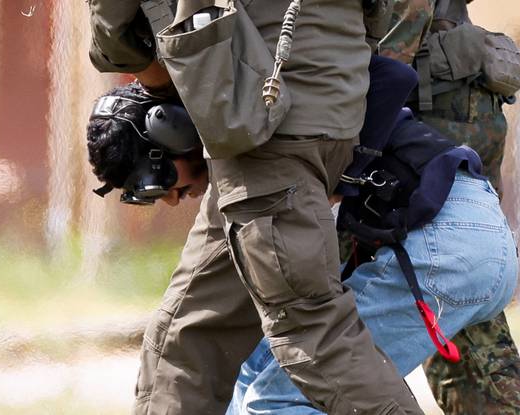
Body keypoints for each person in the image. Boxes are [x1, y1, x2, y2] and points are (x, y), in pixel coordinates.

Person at [87, 1, 423, 413]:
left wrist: (167, 86)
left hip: (261, 121)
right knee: (185, 335)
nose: (173, 199)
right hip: (331, 104)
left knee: (312, 333)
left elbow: (114, 18)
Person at [225, 46, 518, 414]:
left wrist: (344, 174)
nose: (175, 200)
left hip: (443, 243)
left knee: (281, 398)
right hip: (472, 227)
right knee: (257, 367)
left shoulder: (272, 103)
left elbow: (397, 75)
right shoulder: (301, 78)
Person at [379, 0, 520, 413]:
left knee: (335, 324)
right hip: (443, 141)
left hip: (421, 150)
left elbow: (382, 68)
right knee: (461, 326)